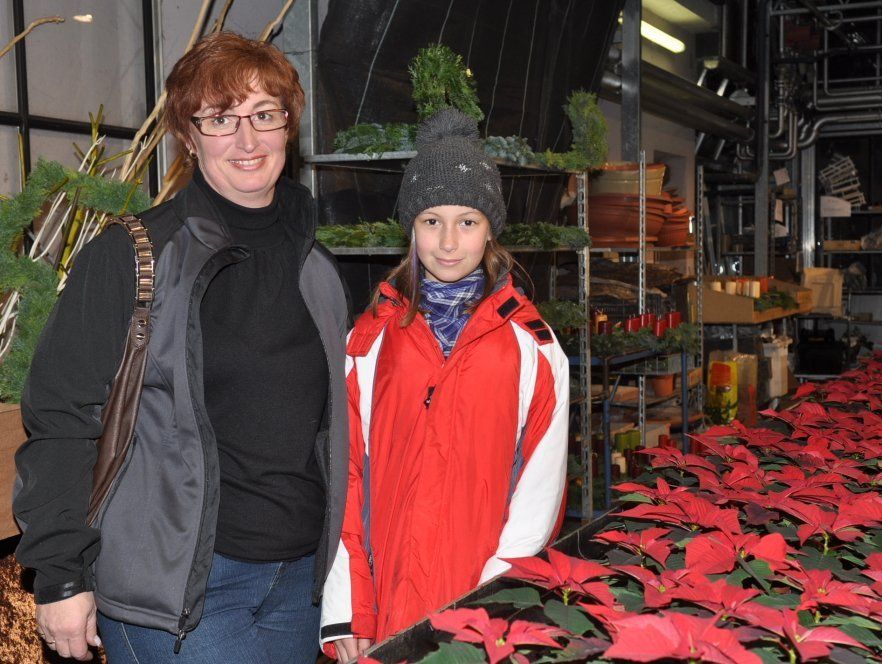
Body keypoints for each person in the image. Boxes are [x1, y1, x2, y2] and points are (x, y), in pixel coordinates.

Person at [13, 32, 350, 663]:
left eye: (265, 115)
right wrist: (60, 573)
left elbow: (338, 432)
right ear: (187, 137)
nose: (247, 140)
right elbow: (61, 417)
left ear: (289, 125)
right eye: (220, 119)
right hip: (181, 593)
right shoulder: (131, 256)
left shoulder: (319, 268)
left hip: (301, 583)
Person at [319, 108, 569, 662]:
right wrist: (349, 607)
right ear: (410, 227)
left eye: (468, 221)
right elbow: (344, 477)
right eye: (432, 220)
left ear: (491, 228)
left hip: (483, 620)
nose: (449, 242)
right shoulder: (368, 341)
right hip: (385, 610)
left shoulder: (534, 347)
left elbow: (541, 494)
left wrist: (488, 613)